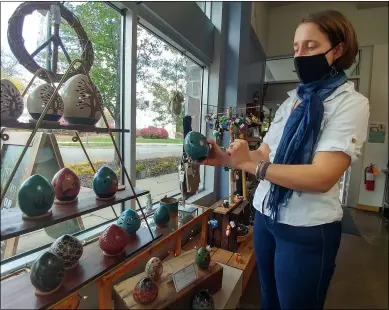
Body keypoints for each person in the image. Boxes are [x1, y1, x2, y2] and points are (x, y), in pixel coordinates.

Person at [199, 10, 369, 310]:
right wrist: (227, 159)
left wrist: (254, 167)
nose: (300, 55)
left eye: (311, 46)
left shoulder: (350, 104)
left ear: (338, 50)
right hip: (266, 218)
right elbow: (264, 152)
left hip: (307, 229)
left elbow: (321, 176)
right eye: (296, 48)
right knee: (269, 300)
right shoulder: (293, 100)